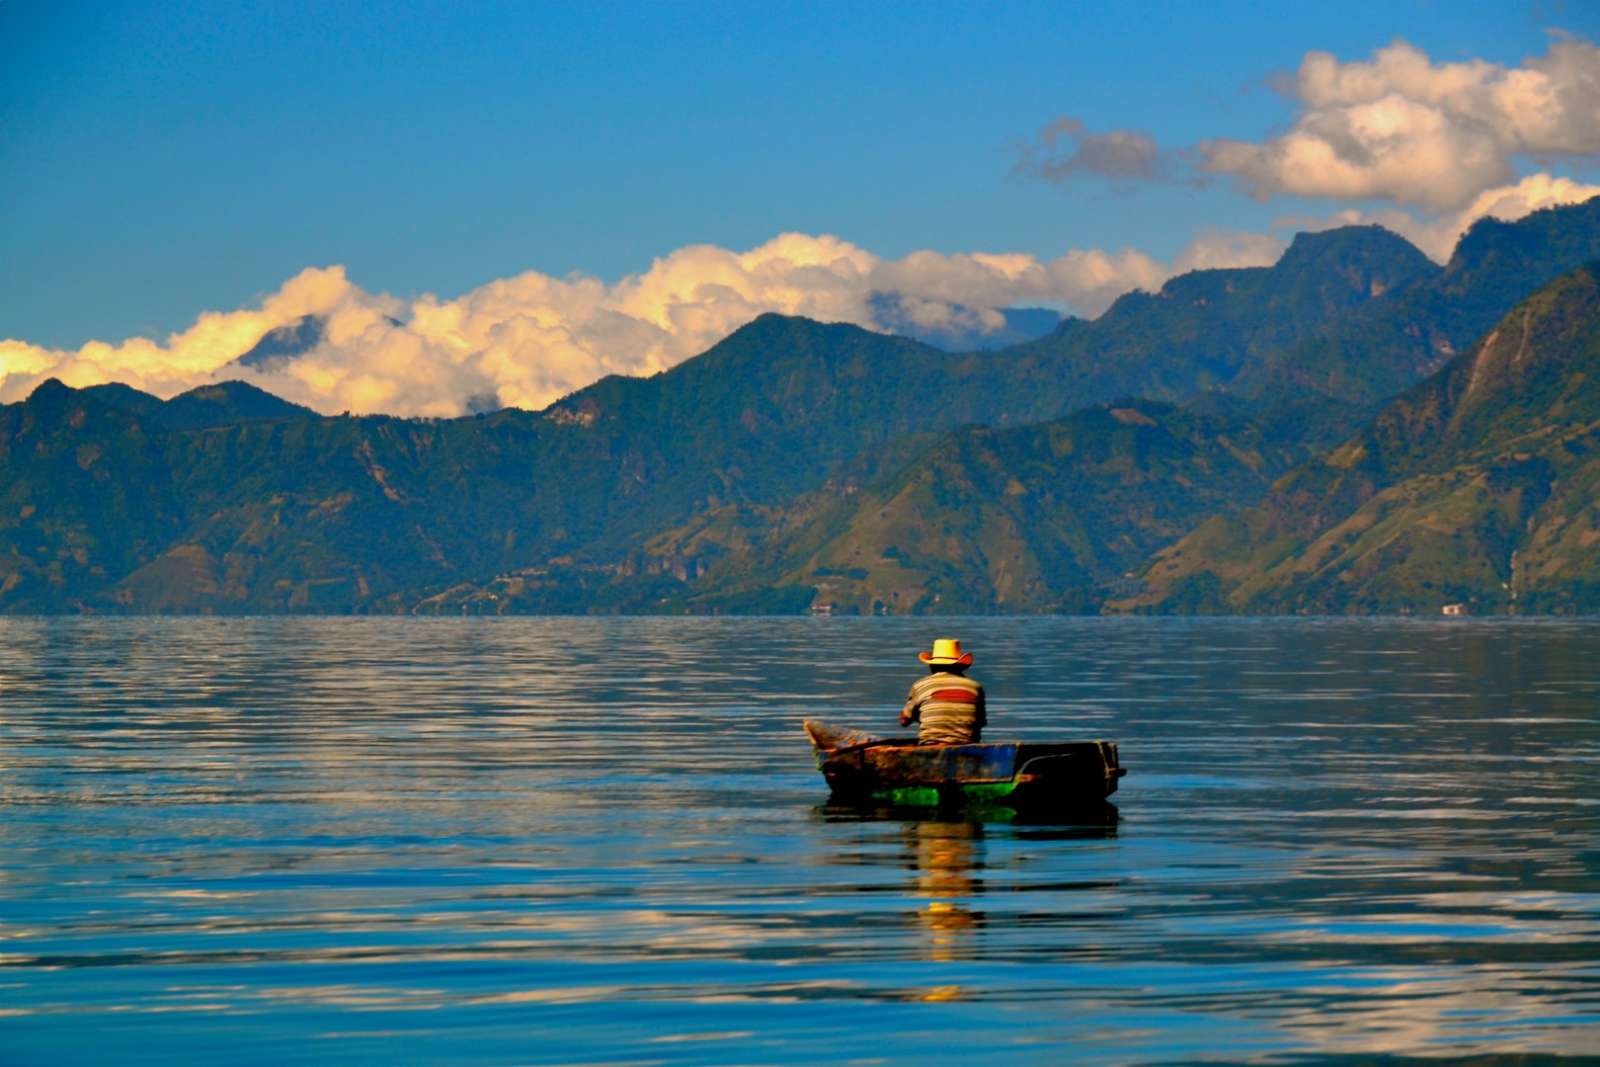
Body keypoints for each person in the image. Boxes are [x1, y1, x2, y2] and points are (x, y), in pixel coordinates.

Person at [900, 638, 986, 745]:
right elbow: (980, 722)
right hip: (966, 744)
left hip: (931, 744)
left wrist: (919, 714)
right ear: (960, 666)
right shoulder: (975, 687)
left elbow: (904, 721)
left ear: (932, 665)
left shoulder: (921, 685)